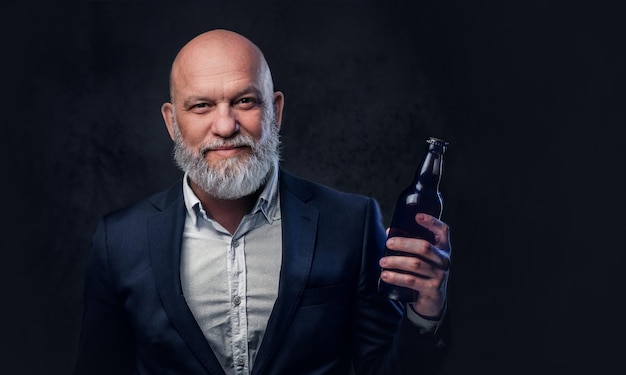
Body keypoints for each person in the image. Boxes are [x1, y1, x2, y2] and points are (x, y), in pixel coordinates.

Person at [73, 29, 452, 375]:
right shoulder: (118, 241)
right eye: (201, 106)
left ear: (276, 110)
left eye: (244, 101)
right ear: (172, 122)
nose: (225, 126)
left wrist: (424, 314)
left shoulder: (351, 223)